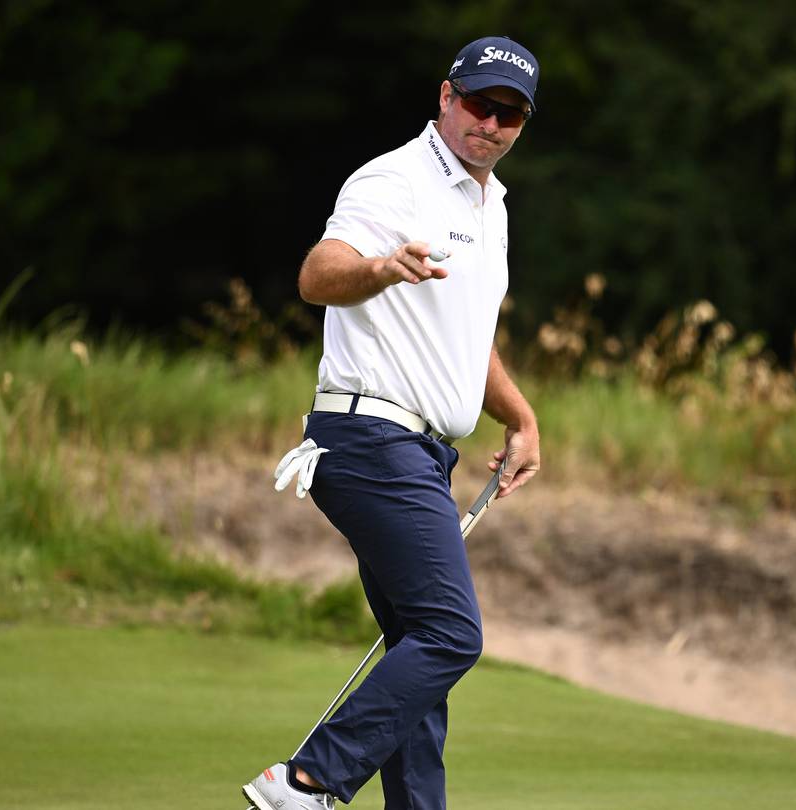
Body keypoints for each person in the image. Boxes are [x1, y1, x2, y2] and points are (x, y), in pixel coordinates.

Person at [243, 35, 542, 810]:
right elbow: (316, 275)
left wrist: (519, 416)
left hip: (419, 452)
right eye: (480, 103)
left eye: (510, 114)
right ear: (446, 96)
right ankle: (309, 780)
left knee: (419, 660)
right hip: (371, 441)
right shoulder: (395, 179)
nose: (493, 123)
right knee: (451, 635)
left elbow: (463, 337)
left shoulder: (492, 205)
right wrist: (378, 268)